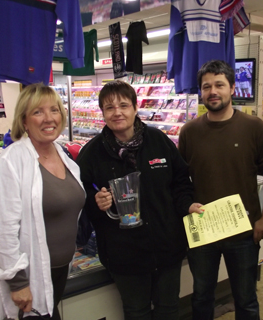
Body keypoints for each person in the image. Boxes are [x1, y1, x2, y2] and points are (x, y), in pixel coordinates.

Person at [76, 80, 202, 320]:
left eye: (123, 105)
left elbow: (180, 182)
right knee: (137, 312)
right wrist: (95, 201)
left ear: (135, 108)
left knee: (168, 310)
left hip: (166, 247)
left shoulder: (159, 141)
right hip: (124, 253)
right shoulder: (92, 153)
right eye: (109, 107)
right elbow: (79, 196)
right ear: (102, 113)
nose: (117, 112)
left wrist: (186, 204)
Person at [178, 60, 263, 320]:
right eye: (206, 86)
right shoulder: (189, 131)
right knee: (201, 296)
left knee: (245, 298)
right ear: (200, 91)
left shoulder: (254, 127)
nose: (213, 91)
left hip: (243, 231)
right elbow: (180, 180)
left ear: (232, 88)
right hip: (203, 229)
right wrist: (186, 206)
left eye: (219, 84)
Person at [0, 83, 85, 320]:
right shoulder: (10, 163)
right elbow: (0, 229)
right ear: (24, 120)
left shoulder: (63, 155)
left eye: (55, 110)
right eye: (38, 112)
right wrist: (17, 282)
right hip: (31, 275)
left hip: (59, 270)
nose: (48, 118)